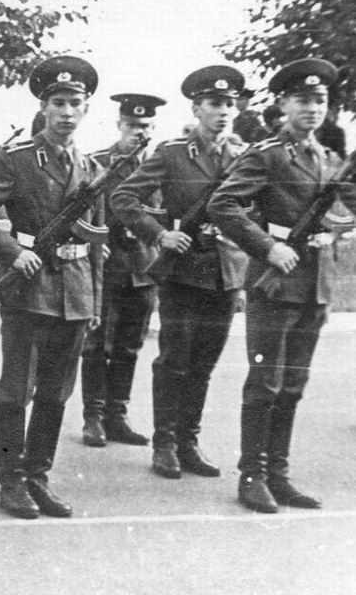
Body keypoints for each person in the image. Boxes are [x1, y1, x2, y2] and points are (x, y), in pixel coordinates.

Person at [0, 56, 104, 520]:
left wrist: (95, 302)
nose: (66, 112)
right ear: (43, 107)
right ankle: (11, 481)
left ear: (86, 109)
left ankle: (38, 477)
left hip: (76, 292)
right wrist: (10, 252)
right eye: (57, 103)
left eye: (75, 103)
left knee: (56, 393)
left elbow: (96, 240)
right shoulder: (17, 159)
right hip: (29, 287)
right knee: (15, 390)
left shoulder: (92, 167)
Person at [209, 58, 356, 513]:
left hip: (315, 286)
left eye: (320, 100)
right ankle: (252, 475)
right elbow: (223, 205)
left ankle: (279, 473)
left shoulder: (328, 158)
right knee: (266, 383)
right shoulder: (268, 154)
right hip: (275, 285)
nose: (312, 108)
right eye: (303, 100)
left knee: (293, 384)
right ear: (283, 104)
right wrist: (267, 247)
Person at [112, 66, 250, 481]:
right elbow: (123, 197)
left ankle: (189, 442)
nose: (223, 112)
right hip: (183, 272)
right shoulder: (172, 154)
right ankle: (166, 444)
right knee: (175, 360)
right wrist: (159, 235)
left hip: (226, 273)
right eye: (214, 104)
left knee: (205, 362)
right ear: (196, 109)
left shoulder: (245, 157)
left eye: (229, 104)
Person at [80, 93, 165, 448]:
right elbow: (82, 211)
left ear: (153, 128)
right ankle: (93, 417)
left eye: (145, 126)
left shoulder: (160, 167)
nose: (138, 132)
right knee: (96, 344)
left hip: (144, 267)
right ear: (119, 125)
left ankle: (117, 416)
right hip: (108, 265)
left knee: (130, 346)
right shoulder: (98, 162)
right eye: (132, 125)